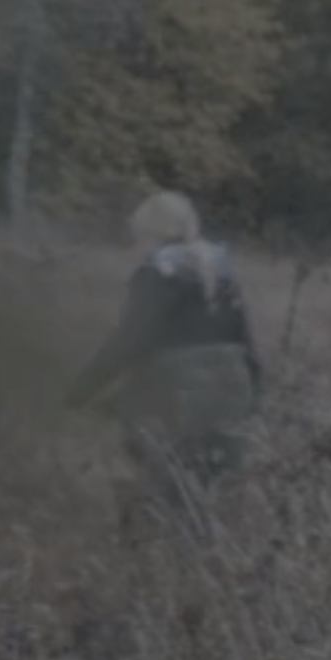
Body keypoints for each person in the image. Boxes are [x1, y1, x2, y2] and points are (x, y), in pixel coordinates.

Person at [67, 191, 262, 484]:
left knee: (163, 476)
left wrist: (81, 391)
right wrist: (256, 396)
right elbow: (245, 341)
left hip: (177, 392)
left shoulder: (156, 272)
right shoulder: (221, 270)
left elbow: (129, 342)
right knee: (218, 484)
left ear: (148, 232)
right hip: (234, 387)